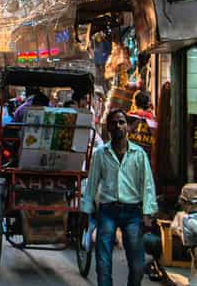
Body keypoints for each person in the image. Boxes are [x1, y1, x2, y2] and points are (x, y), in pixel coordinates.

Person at [81, 108, 158, 286]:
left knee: (137, 266)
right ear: (108, 127)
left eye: (121, 122)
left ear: (127, 127)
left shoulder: (138, 154)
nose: (118, 126)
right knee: (103, 261)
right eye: (114, 123)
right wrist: (86, 211)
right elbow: (92, 184)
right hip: (108, 211)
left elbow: (147, 185)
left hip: (132, 212)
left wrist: (148, 213)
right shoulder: (100, 154)